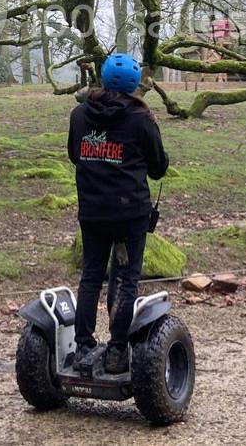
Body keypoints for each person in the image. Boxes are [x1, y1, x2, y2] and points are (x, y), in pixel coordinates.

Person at [66, 52, 169, 374]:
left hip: (92, 210)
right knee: (125, 279)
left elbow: (74, 155)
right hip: (129, 215)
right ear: (135, 84)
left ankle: (83, 347)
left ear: (103, 78)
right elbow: (159, 168)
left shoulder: (80, 114)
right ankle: (116, 350)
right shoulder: (141, 118)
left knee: (91, 276)